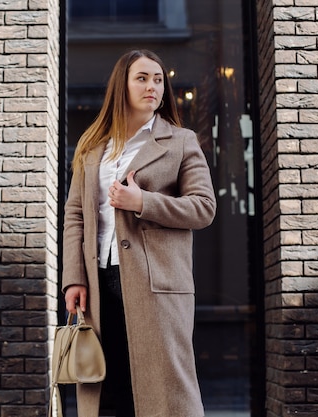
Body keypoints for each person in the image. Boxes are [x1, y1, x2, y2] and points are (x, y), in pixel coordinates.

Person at [62, 49, 216, 417]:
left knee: (163, 392)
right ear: (122, 86)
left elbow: (203, 208)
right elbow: (74, 216)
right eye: (142, 78)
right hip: (100, 285)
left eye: (158, 79)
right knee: (108, 389)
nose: (152, 86)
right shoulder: (92, 147)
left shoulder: (180, 140)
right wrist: (73, 279)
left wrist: (142, 201)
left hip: (157, 284)